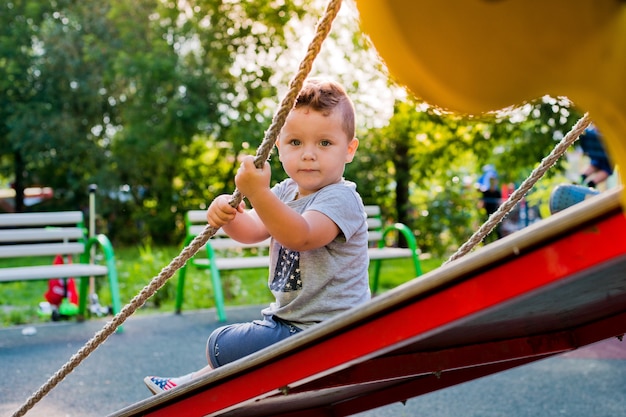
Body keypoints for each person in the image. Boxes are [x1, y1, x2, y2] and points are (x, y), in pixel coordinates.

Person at [144, 78, 371, 394]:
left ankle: (195, 386)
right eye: (295, 143)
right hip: (289, 322)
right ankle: (189, 384)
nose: (308, 155)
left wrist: (259, 193)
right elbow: (251, 230)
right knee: (232, 346)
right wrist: (227, 213)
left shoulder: (340, 198)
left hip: (327, 332)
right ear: (278, 147)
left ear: (349, 150)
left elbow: (301, 235)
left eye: (324, 143)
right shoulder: (285, 191)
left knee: (220, 345)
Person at [549, 124, 613, 214]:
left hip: (599, 150)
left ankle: (583, 179)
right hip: (606, 152)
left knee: (595, 164)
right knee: (606, 170)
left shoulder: (591, 133)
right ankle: (589, 183)